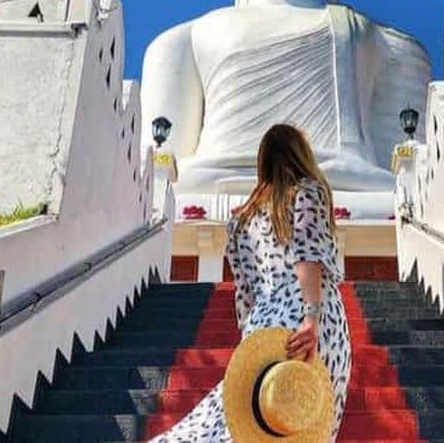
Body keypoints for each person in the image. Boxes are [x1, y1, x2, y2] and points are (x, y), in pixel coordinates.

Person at [149, 123, 351, 442]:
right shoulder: (308, 191)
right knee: (305, 424)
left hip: (264, 322)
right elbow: (307, 255)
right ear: (301, 154)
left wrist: (252, 339)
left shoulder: (242, 220)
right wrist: (312, 317)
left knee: (245, 425)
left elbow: (245, 293)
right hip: (309, 319)